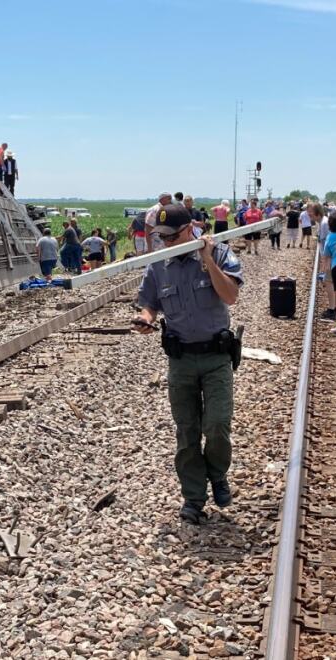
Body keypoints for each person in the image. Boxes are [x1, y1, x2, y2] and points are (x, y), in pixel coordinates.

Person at [131, 204, 243, 524]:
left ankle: (218, 475)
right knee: (188, 431)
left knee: (217, 424)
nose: (166, 242)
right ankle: (194, 497)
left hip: (216, 357)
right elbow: (149, 305)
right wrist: (144, 319)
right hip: (181, 360)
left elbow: (231, 296)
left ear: (190, 228)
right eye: (161, 237)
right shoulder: (157, 267)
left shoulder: (219, 253)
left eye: (171, 236)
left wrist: (207, 259)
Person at [313, 203, 336, 321]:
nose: (310, 216)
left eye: (311, 214)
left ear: (317, 214)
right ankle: (334, 307)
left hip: (331, 258)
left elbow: (328, 243)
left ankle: (332, 310)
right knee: (331, 283)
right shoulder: (323, 222)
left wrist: (326, 261)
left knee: (329, 283)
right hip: (330, 257)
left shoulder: (324, 224)